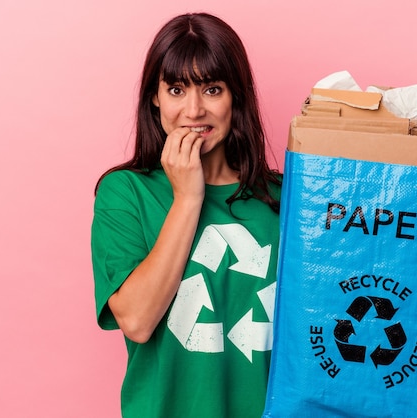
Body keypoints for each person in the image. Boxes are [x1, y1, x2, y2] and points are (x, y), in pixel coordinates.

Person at [91, 12, 282, 418]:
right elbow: (138, 321)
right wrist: (188, 198)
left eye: (212, 89)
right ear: (155, 97)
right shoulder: (126, 193)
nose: (194, 110)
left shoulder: (284, 200)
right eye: (177, 89)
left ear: (236, 96)